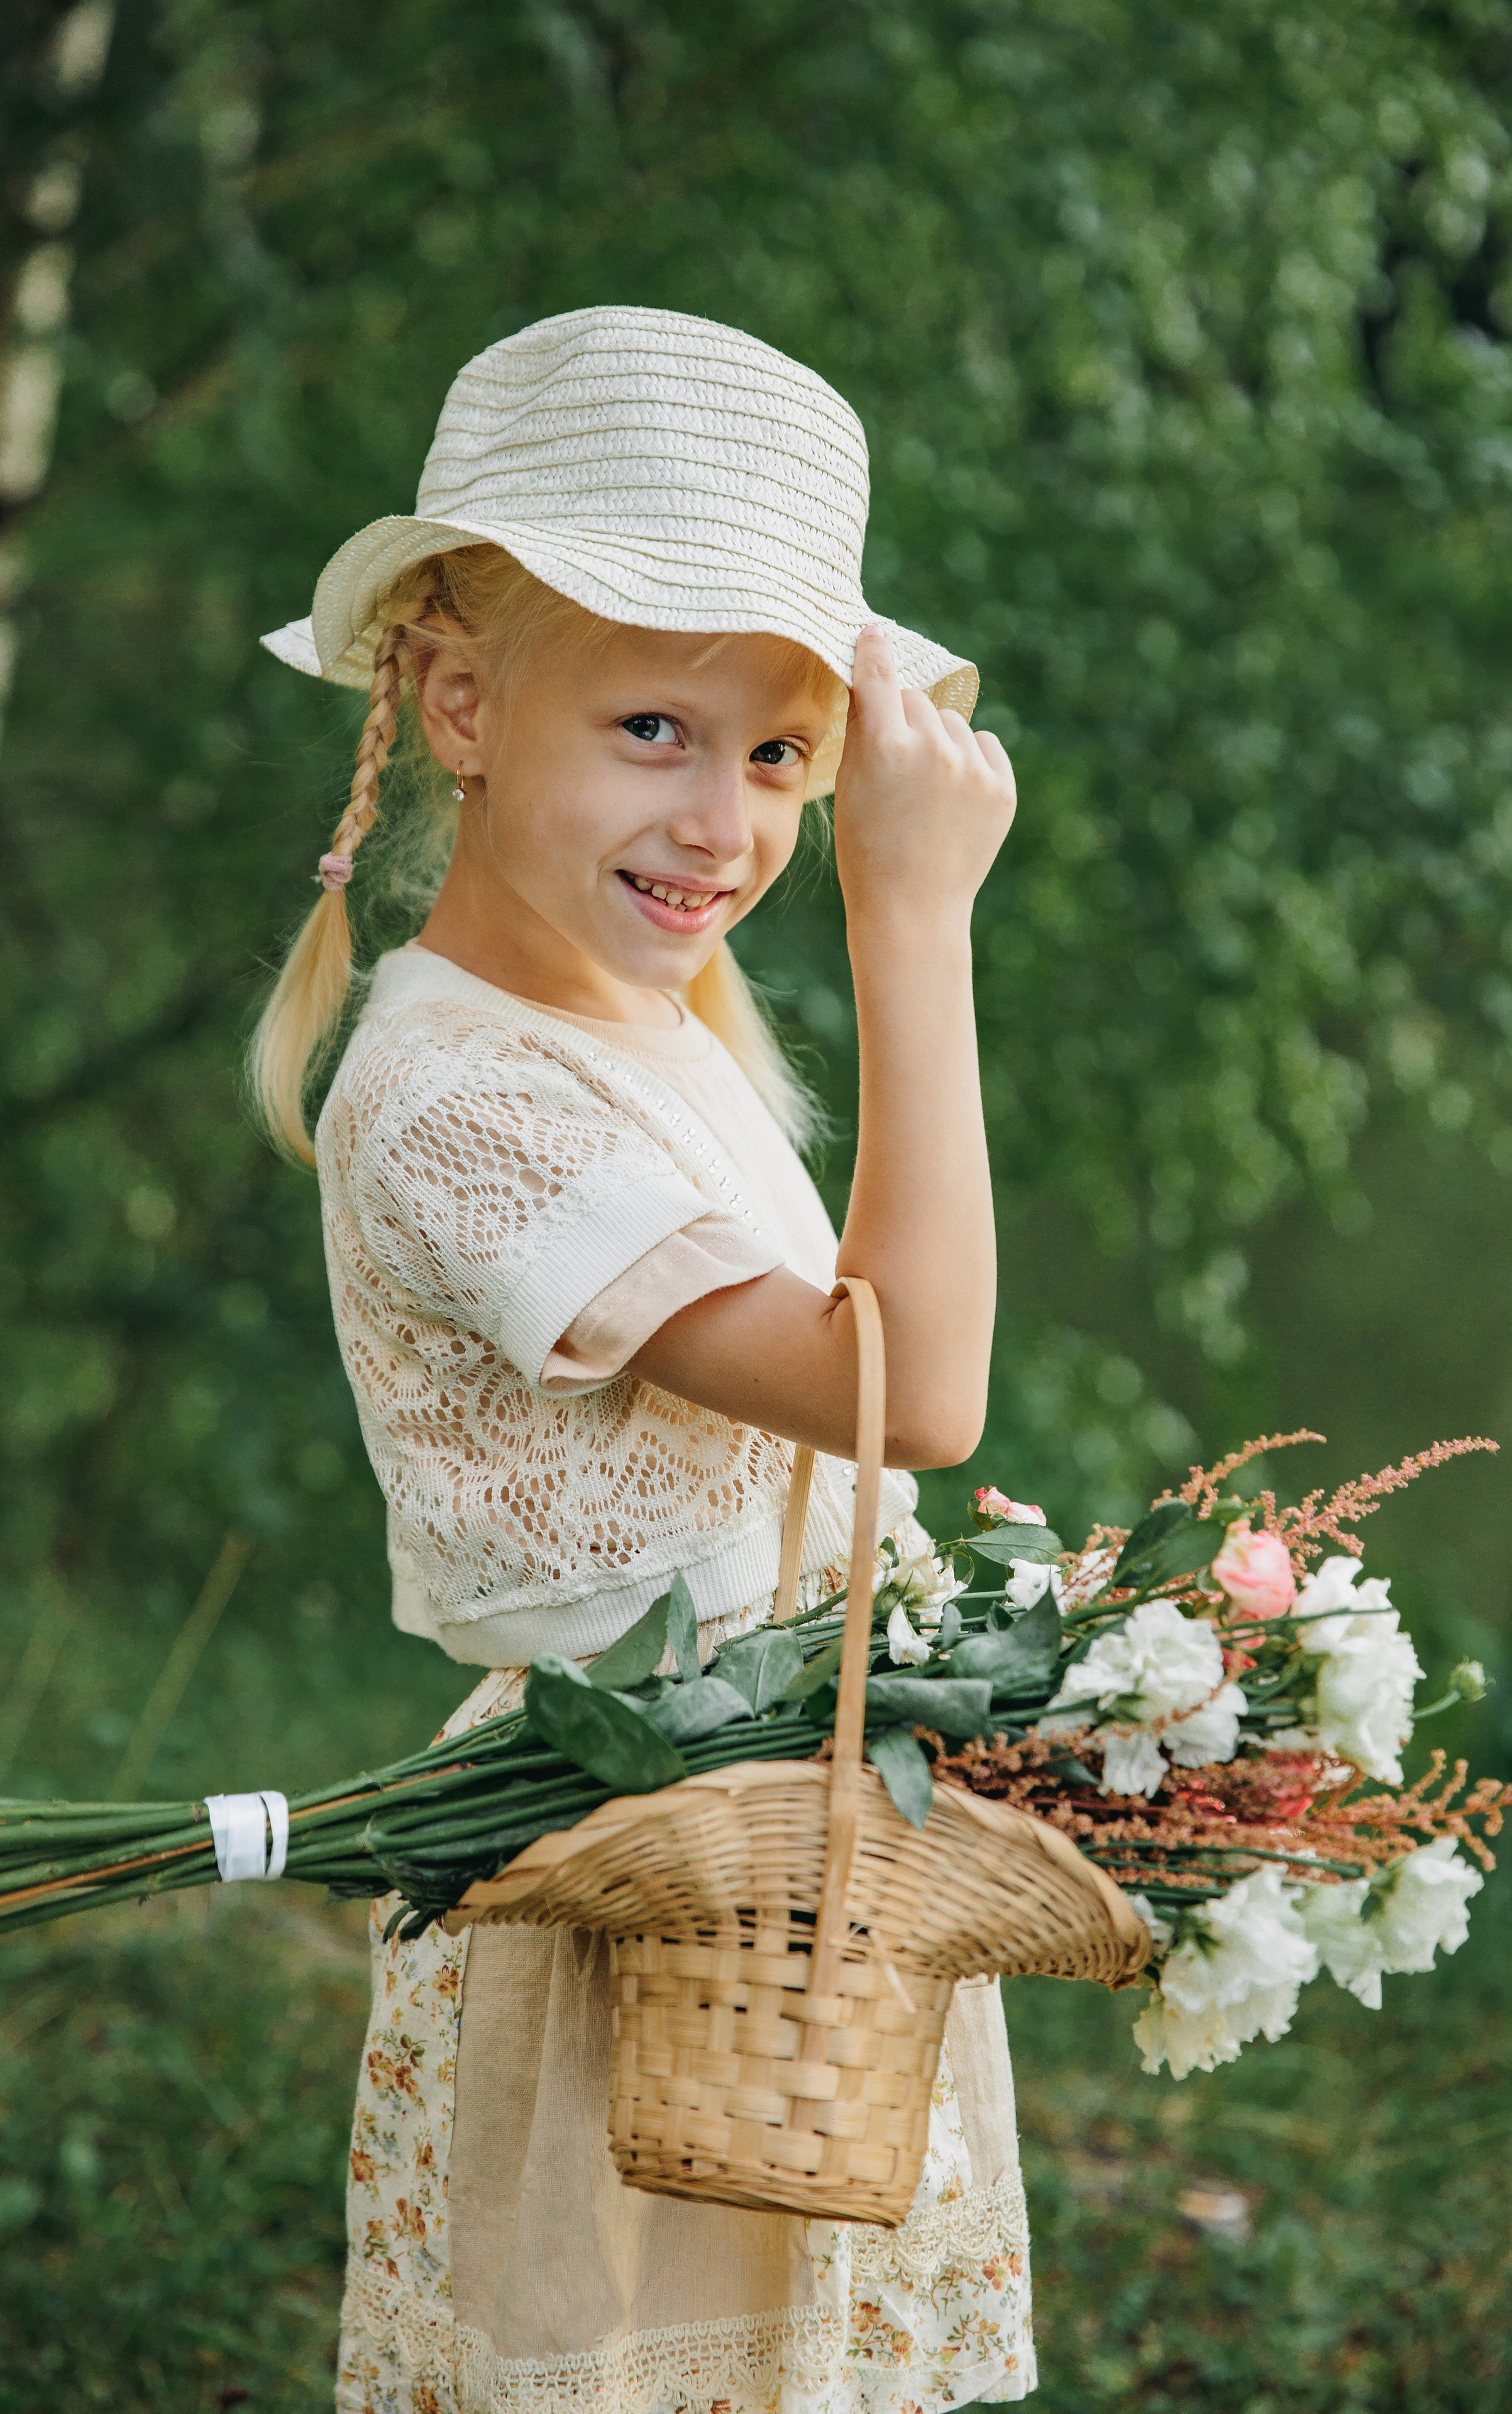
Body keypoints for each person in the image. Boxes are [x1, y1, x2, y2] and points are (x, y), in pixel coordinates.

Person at [255, 305, 1029, 2414]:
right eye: (657, 729)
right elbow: (917, 1396)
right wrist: (912, 921)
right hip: (633, 1900)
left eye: (780, 759)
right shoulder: (456, 1096)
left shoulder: (652, 1032)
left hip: (780, 1903)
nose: (723, 821)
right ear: (462, 701)